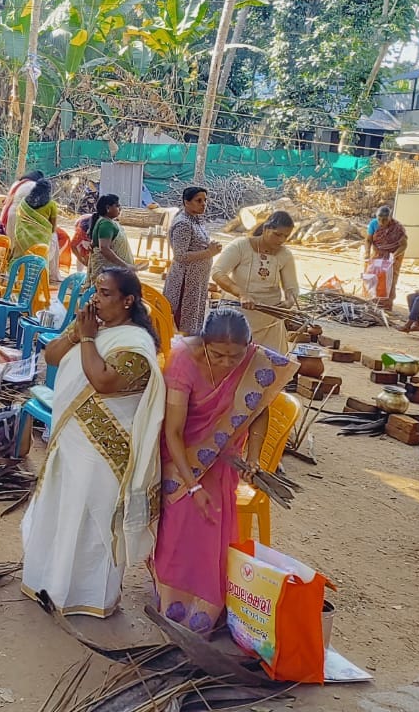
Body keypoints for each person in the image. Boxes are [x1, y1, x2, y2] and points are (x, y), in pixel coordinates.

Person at [20, 267, 166, 618]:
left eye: (105, 293)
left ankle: (89, 598)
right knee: (62, 511)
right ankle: (48, 585)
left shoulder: (136, 344)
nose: (95, 299)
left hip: (104, 451)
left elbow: (103, 381)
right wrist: (77, 334)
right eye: (95, 291)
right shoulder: (93, 326)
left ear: (128, 300)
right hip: (70, 442)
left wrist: (87, 339)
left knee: (90, 521)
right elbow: (51, 356)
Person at [151, 308, 298, 634]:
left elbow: (259, 408)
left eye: (236, 356)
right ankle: (172, 602)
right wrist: (192, 486)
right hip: (179, 457)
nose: (228, 363)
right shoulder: (183, 361)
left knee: (213, 527)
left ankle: (205, 608)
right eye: (218, 355)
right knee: (180, 526)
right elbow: (173, 432)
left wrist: (255, 457)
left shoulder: (254, 361)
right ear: (203, 344)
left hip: (222, 459)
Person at [211, 211, 298, 352]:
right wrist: (241, 294)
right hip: (237, 315)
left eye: (285, 236)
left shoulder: (285, 255)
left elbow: (291, 287)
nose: (281, 240)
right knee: (231, 359)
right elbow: (217, 272)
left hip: (270, 320)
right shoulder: (240, 246)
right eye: (277, 234)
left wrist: (289, 301)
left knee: (269, 366)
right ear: (265, 229)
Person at [163, 186, 223, 335]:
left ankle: (188, 347)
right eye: (198, 201)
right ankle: (179, 351)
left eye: (205, 200)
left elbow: (196, 245)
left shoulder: (196, 220)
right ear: (186, 202)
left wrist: (209, 248)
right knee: (182, 319)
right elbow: (180, 255)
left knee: (194, 316)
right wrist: (209, 252)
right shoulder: (183, 223)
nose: (203, 204)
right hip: (185, 281)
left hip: (197, 281)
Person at [364, 205, 408, 309]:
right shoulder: (373, 224)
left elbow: (403, 245)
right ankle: (372, 300)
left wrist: (393, 256)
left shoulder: (397, 227)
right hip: (378, 253)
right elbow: (368, 240)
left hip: (393, 255)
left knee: (390, 278)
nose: (382, 222)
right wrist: (367, 252)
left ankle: (386, 304)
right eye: (379, 219)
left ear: (390, 218)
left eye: (385, 220)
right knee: (373, 275)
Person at [86, 194, 136, 279]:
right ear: (108, 208)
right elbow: (104, 249)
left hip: (112, 272)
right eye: (117, 205)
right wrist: (125, 266)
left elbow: (96, 243)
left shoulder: (106, 222)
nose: (120, 208)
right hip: (110, 273)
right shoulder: (106, 224)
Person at [6, 177, 57, 257]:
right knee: (54, 241)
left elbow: (19, 220)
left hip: (22, 239)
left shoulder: (24, 202)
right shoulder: (51, 205)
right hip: (41, 242)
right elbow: (53, 228)